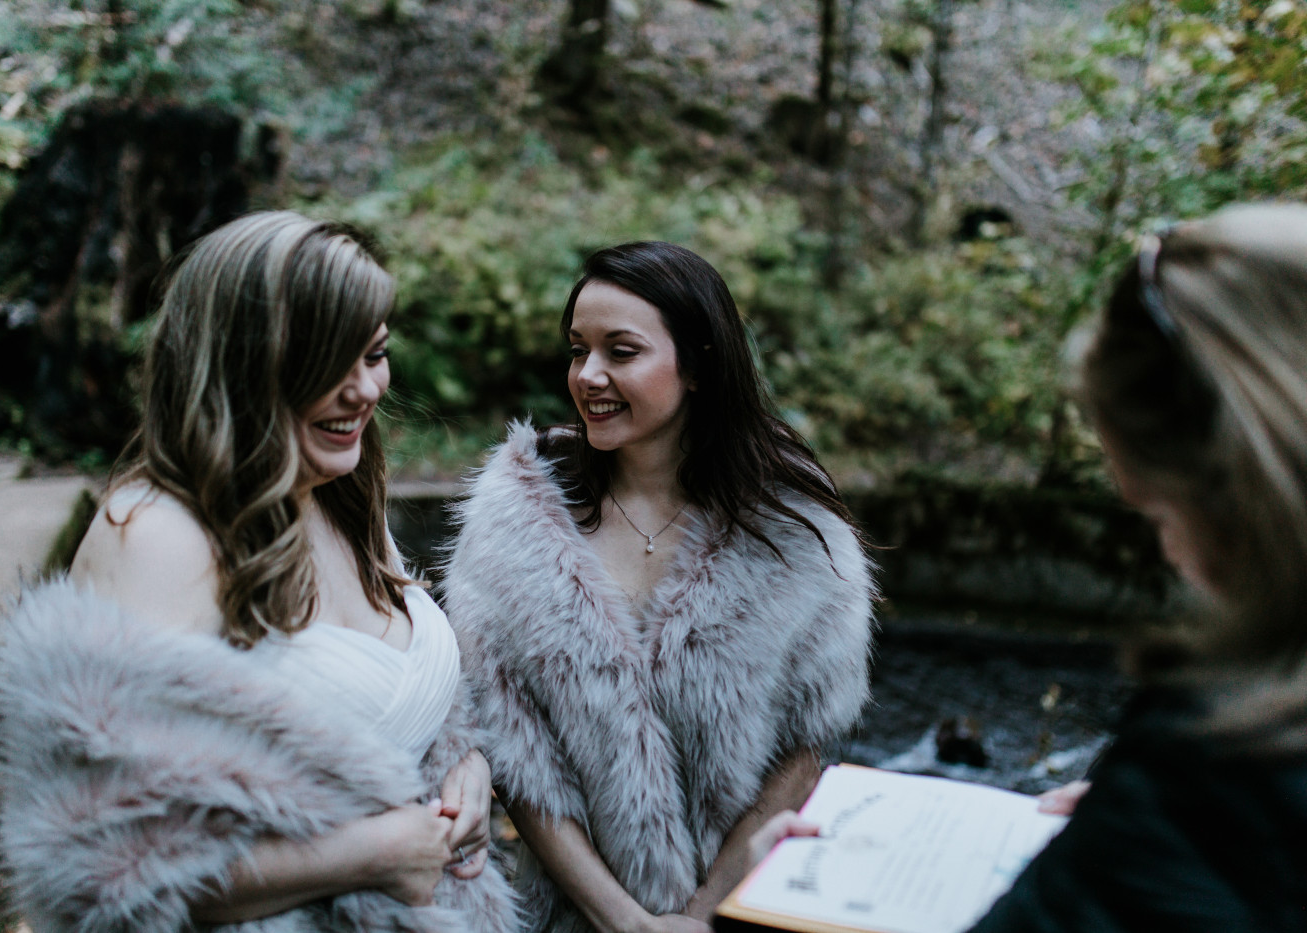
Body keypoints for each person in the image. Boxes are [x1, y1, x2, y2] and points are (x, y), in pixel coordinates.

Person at [750, 203, 1307, 931]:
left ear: (1241, 490)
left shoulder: (1221, 745)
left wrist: (786, 903)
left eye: (1160, 515)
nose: (1170, 554)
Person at [0, 211, 520, 933]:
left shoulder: (339, 488)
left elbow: (402, 704)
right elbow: (97, 870)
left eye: (375, 354)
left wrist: (468, 772)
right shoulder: (157, 537)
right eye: (327, 364)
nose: (365, 390)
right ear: (238, 364)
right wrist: (369, 852)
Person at [441, 241, 876, 933]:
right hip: (568, 916)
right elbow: (516, 753)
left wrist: (703, 915)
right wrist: (624, 920)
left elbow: (804, 746)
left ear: (698, 364)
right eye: (577, 349)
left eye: (621, 350)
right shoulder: (516, 517)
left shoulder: (793, 525)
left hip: (744, 907)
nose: (588, 375)